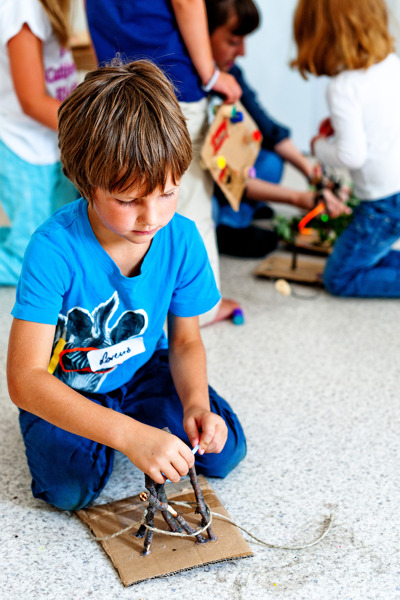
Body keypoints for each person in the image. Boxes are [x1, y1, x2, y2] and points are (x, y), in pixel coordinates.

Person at [6, 60, 247, 511]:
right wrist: (129, 436)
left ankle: (133, 423)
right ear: (86, 182)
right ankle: (114, 427)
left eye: (168, 192)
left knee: (223, 450)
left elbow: (185, 341)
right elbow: (25, 379)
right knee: (69, 490)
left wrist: (196, 405)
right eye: (128, 199)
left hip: (144, 370)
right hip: (69, 386)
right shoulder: (53, 249)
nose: (151, 217)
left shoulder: (182, 238)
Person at [85, 0, 242, 324]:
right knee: (190, 203)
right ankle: (200, 310)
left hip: (115, 88)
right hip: (173, 82)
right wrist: (211, 74)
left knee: (126, 208)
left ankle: (139, 310)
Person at [206, 0, 350, 258]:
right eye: (234, 41)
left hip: (229, 170)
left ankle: (240, 211)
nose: (243, 52)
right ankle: (230, 224)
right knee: (206, 210)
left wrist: (312, 174)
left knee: (272, 162)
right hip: (211, 180)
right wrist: (297, 198)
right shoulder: (189, 92)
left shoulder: (232, 73)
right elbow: (222, 176)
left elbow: (268, 128)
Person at [291, 0, 400, 297]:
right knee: (365, 253)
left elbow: (351, 155)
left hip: (383, 203)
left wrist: (317, 146)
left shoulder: (342, 87)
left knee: (339, 278)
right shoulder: (390, 63)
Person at [0, 0, 78, 285]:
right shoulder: (22, 7)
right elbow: (32, 101)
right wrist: (92, 128)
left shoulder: (49, 7)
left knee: (61, 236)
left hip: (54, 141)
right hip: (23, 147)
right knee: (29, 260)